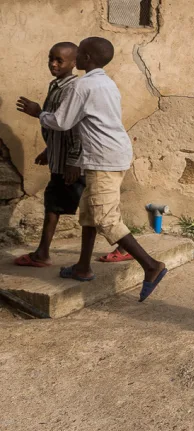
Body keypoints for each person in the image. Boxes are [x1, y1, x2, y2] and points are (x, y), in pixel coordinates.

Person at [17, 37, 167, 302]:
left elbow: (62, 122)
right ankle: (83, 267)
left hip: (102, 159)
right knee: (89, 213)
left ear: (84, 58)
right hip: (110, 154)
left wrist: (38, 113)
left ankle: (151, 266)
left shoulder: (83, 85)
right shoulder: (106, 82)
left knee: (104, 219)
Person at [13, 42, 84, 269]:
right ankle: (42, 253)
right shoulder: (56, 85)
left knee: (94, 207)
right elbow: (56, 125)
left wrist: (73, 160)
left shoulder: (72, 89)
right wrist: (49, 149)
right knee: (53, 203)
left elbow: (75, 128)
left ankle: (124, 246)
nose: (53, 64)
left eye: (59, 60)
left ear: (74, 63)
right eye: (50, 58)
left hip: (72, 164)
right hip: (59, 159)